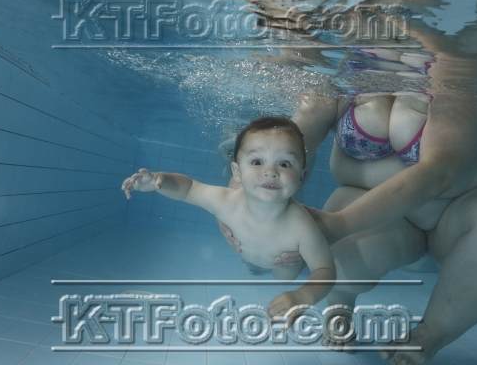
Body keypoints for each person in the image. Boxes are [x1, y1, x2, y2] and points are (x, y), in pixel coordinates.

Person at [219, 53, 477, 364]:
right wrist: (234, 204)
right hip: (376, 218)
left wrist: (339, 223)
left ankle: (431, 333)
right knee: (332, 248)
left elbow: (439, 172)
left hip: (461, 215)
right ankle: (340, 304)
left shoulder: (460, 62)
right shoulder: (348, 61)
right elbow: (287, 136)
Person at [122, 116, 337, 319]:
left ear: (301, 177)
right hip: (249, 250)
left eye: (284, 164)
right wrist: (159, 181)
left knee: (283, 278)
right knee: (249, 260)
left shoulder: (301, 226)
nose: (270, 172)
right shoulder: (226, 202)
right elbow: (189, 188)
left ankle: (269, 263)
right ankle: (252, 262)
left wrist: (303, 296)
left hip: (282, 264)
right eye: (257, 162)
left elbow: (325, 270)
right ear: (237, 172)